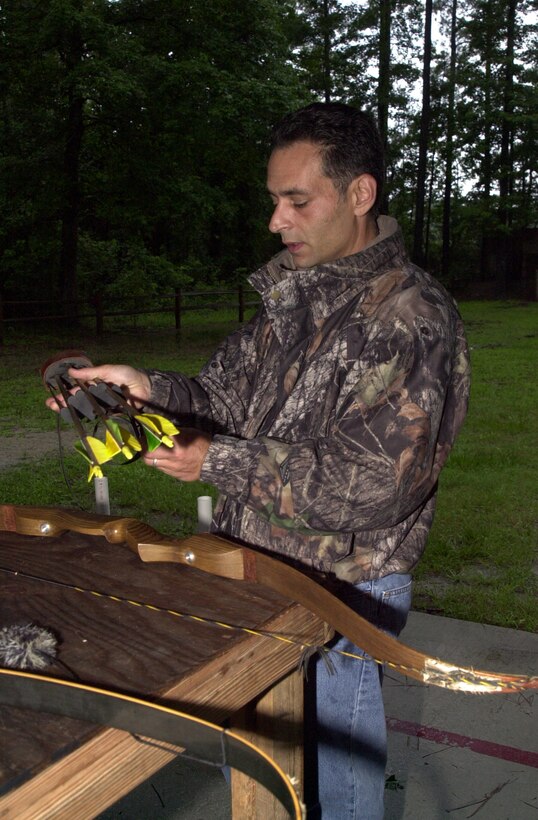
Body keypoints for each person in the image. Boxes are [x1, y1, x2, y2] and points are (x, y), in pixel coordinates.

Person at [49, 102, 470, 818]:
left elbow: (375, 487)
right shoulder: (292, 304)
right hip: (261, 580)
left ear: (360, 195)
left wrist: (218, 463)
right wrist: (144, 390)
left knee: (337, 792)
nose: (276, 221)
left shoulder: (411, 318)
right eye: (275, 201)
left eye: (297, 200)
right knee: (272, 778)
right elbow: (218, 395)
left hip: (341, 594)